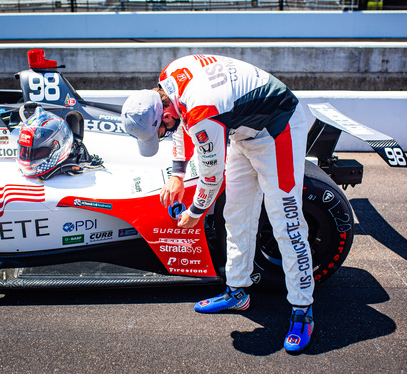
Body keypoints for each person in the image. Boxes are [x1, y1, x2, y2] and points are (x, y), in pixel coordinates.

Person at [120, 54, 314, 354]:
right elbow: (184, 124)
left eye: (161, 131)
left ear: (164, 113)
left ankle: (303, 309)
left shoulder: (201, 109)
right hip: (244, 128)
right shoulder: (170, 80)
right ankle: (238, 291)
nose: (164, 134)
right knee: (235, 213)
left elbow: (211, 176)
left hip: (279, 127)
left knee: (286, 221)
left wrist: (195, 213)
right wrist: (177, 174)